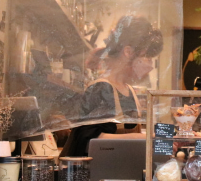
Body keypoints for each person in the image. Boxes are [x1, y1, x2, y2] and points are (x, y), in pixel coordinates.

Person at [61, 16, 163, 156]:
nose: (149, 66)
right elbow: (88, 141)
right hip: (98, 170)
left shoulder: (130, 90)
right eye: (148, 57)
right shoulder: (101, 89)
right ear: (128, 52)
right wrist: (142, 138)